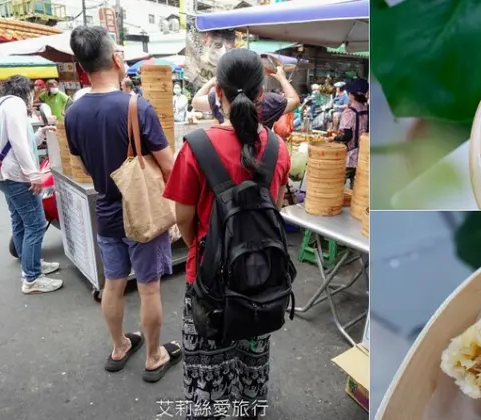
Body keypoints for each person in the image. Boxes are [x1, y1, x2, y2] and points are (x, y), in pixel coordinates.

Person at [164, 48, 291, 420]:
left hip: (208, 283)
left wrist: (204, 251)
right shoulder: (278, 149)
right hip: (261, 281)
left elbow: (184, 218)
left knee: (208, 369)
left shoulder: (196, 147)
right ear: (261, 92)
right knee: (252, 366)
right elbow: (275, 210)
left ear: (217, 90)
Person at [65, 26, 181, 381]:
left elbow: (85, 167)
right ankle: (154, 355)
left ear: (82, 66)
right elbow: (170, 166)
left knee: (113, 283)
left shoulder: (73, 113)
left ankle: (119, 346)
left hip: (107, 212)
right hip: (142, 213)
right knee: (148, 287)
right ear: (117, 59)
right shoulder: (137, 106)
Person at [0, 75, 63, 294]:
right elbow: (19, 144)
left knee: (19, 221)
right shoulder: (16, 104)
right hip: (16, 175)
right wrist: (34, 175)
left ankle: (31, 264)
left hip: (3, 175)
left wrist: (40, 133)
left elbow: (14, 141)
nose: (33, 98)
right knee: (36, 224)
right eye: (32, 93)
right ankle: (32, 278)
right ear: (25, 91)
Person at [191, 64, 299, 129]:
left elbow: (195, 102)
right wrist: (282, 78)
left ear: (219, 91)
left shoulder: (219, 100)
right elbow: (295, 101)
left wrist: (213, 80)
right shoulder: (269, 101)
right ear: (260, 92)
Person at [335, 78, 369, 188]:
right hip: (363, 156)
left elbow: (347, 136)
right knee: (357, 191)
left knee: (336, 186)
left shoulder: (349, 111)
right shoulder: (367, 110)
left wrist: (334, 138)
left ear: (351, 95)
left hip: (349, 156)